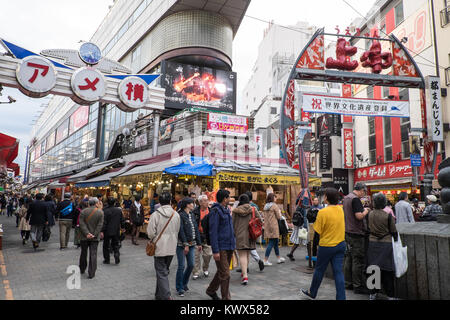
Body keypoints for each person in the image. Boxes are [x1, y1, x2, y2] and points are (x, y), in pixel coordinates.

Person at [301, 188, 347, 300]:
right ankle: (341, 298)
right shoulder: (341, 209)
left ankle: (312, 292)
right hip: (340, 244)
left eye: (325, 196)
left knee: (319, 270)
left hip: (326, 245)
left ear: (327, 198)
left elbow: (318, 230)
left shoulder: (323, 212)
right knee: (338, 272)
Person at [147, 192, 180, 300]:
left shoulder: (155, 214)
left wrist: (154, 239)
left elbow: (150, 233)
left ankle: (166, 296)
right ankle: (158, 295)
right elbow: (177, 230)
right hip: (171, 246)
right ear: (170, 201)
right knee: (163, 271)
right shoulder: (176, 214)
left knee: (161, 273)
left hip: (159, 247)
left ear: (159, 202)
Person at [366, 193, 398, 300]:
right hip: (386, 244)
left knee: (373, 268)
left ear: (374, 202)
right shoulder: (388, 216)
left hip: (372, 243)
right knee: (387, 270)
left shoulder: (369, 214)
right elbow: (393, 231)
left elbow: (367, 228)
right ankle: (390, 296)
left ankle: (373, 294)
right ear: (384, 203)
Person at [206, 189, 236, 300]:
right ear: (224, 199)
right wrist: (215, 250)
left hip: (229, 245)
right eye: (229, 197)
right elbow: (213, 232)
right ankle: (226, 298)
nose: (230, 199)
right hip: (221, 247)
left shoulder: (227, 210)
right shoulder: (215, 211)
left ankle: (211, 290)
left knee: (222, 271)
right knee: (226, 274)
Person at [343, 182, 370, 295]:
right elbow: (358, 216)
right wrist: (366, 210)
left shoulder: (346, 198)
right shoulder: (355, 199)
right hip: (357, 233)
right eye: (364, 191)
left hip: (348, 232)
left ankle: (348, 283)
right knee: (357, 260)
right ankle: (357, 286)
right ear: (361, 190)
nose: (364, 194)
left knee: (349, 258)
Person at [232, 194, 262, 285]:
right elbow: (260, 220)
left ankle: (245, 276)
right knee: (247, 254)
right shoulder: (253, 209)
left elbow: (232, 223)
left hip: (240, 235)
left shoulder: (235, 211)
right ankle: (244, 272)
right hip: (250, 235)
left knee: (242, 255)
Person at [176, 197, 202, 297]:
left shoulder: (192, 214)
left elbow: (196, 229)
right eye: (192, 203)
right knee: (181, 266)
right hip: (181, 245)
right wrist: (185, 244)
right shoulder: (180, 215)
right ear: (187, 204)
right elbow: (180, 231)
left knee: (191, 265)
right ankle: (180, 288)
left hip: (192, 244)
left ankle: (184, 283)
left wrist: (199, 243)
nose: (193, 205)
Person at [78, 197, 104, 279]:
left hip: (84, 236)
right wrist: (94, 234)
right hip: (95, 237)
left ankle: (82, 268)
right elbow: (100, 225)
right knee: (93, 254)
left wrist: (87, 233)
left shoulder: (83, 211)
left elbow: (81, 224)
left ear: (89, 203)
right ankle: (91, 272)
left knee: (83, 253)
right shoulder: (100, 212)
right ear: (96, 203)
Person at [192, 195, 213, 280]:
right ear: (200, 202)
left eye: (207, 200)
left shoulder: (211, 211)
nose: (207, 202)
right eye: (205, 200)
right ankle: (196, 271)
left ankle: (205, 268)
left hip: (208, 235)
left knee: (208, 254)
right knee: (196, 255)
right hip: (198, 235)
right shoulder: (195, 212)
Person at [262, 193, 285, 266]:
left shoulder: (265, 206)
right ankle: (265, 260)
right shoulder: (274, 206)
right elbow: (278, 217)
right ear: (272, 198)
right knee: (272, 242)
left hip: (268, 226)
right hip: (274, 225)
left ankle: (278, 258)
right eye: (275, 197)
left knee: (275, 242)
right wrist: (280, 213)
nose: (276, 199)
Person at [101, 197, 125, 265]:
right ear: (114, 203)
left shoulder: (105, 210)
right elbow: (122, 220)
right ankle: (116, 254)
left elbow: (104, 222)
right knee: (116, 244)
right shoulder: (118, 210)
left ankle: (107, 259)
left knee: (106, 245)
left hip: (107, 230)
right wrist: (123, 228)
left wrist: (102, 231)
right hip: (116, 230)